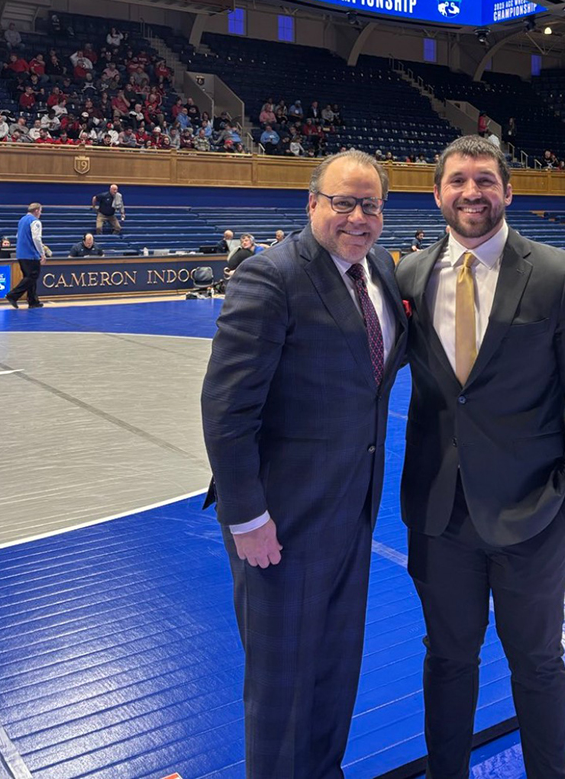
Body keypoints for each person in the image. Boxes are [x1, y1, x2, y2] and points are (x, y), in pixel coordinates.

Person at [396, 136, 565, 779]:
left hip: (535, 511)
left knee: (538, 662)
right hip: (440, 515)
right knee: (447, 660)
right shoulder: (408, 276)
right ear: (437, 193)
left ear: (508, 191)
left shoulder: (557, 274)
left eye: (485, 180)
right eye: (458, 180)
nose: (472, 192)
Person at [201, 151, 408, 779]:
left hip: (352, 509)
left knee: (336, 665)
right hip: (281, 521)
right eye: (343, 202)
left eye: (370, 204)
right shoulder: (270, 278)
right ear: (312, 202)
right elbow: (227, 410)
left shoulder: (379, 269)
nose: (357, 216)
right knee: (283, 682)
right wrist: (247, 519)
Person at [7, 203, 46, 309]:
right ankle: (13, 295)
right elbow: (36, 238)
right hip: (30, 254)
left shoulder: (22, 220)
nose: (40, 214)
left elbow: (17, 235)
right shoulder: (35, 221)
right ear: (37, 211)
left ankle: (33, 301)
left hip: (21, 253)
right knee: (32, 276)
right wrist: (42, 253)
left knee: (29, 277)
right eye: (41, 211)